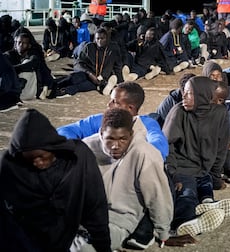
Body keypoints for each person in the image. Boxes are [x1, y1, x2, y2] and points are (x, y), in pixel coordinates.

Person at [0, 109, 111, 251]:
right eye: (30, 159)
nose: (37, 163)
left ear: (53, 147)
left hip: (62, 238)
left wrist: (104, 246)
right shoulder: (9, 165)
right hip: (22, 239)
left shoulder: (78, 158)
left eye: (42, 157)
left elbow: (95, 203)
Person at [81, 108, 173, 251]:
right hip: (82, 215)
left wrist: (163, 232)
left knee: (82, 248)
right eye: (110, 139)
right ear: (100, 133)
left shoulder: (145, 154)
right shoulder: (86, 148)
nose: (115, 146)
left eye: (122, 139)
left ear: (131, 135)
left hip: (118, 221)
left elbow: (157, 196)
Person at [163, 76, 230, 237]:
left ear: (202, 95)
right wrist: (172, 172)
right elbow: (165, 146)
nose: (184, 97)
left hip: (203, 169)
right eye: (184, 93)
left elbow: (221, 148)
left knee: (206, 184)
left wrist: (215, 175)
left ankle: (206, 204)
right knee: (187, 193)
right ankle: (182, 223)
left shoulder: (220, 113)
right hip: (181, 168)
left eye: (189, 94)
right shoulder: (178, 112)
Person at [57, 81, 168, 161]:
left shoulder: (147, 123)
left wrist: (132, 156)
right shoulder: (101, 119)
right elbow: (65, 131)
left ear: (130, 108)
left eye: (115, 102)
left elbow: (159, 145)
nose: (108, 105)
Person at [54, 27, 124, 97]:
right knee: (74, 78)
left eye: (102, 38)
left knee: (82, 86)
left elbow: (118, 66)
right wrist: (89, 74)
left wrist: (120, 82)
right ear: (94, 39)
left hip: (100, 80)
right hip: (87, 74)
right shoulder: (89, 47)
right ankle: (52, 85)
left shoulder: (113, 49)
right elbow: (78, 64)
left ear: (107, 39)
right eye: (97, 38)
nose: (99, 41)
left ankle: (64, 91)